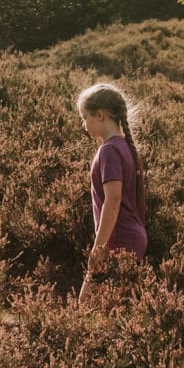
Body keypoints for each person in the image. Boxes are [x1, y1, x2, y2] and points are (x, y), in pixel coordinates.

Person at [76, 82, 148, 301]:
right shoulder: (125, 147)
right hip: (132, 239)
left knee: (87, 303)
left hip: (118, 242)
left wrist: (98, 249)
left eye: (85, 117)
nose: (83, 124)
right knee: (117, 309)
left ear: (99, 115)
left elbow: (113, 201)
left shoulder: (108, 151)